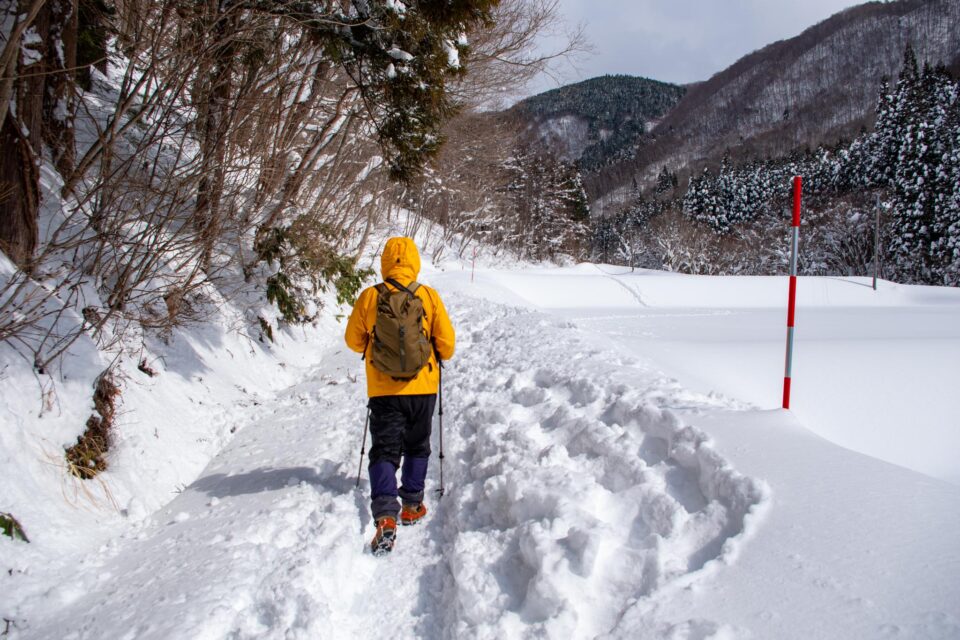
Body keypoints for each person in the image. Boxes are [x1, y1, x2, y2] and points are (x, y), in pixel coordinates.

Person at [344, 237, 456, 555]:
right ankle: (412, 505)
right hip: (422, 389)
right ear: (415, 262)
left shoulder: (370, 296)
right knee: (418, 446)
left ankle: (385, 515)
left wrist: (373, 342)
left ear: (385, 262)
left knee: (384, 449)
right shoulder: (427, 296)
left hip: (384, 389)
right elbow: (446, 344)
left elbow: (353, 340)